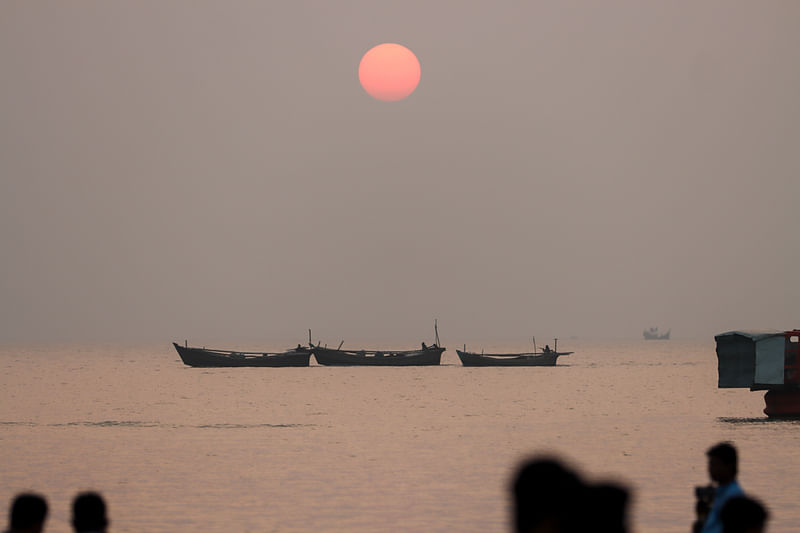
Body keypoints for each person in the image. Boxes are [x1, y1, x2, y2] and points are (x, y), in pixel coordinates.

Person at [697, 442, 744, 533]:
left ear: (729, 466)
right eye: (710, 464)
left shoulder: (733, 497)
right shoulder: (719, 495)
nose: (710, 469)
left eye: (714, 464)